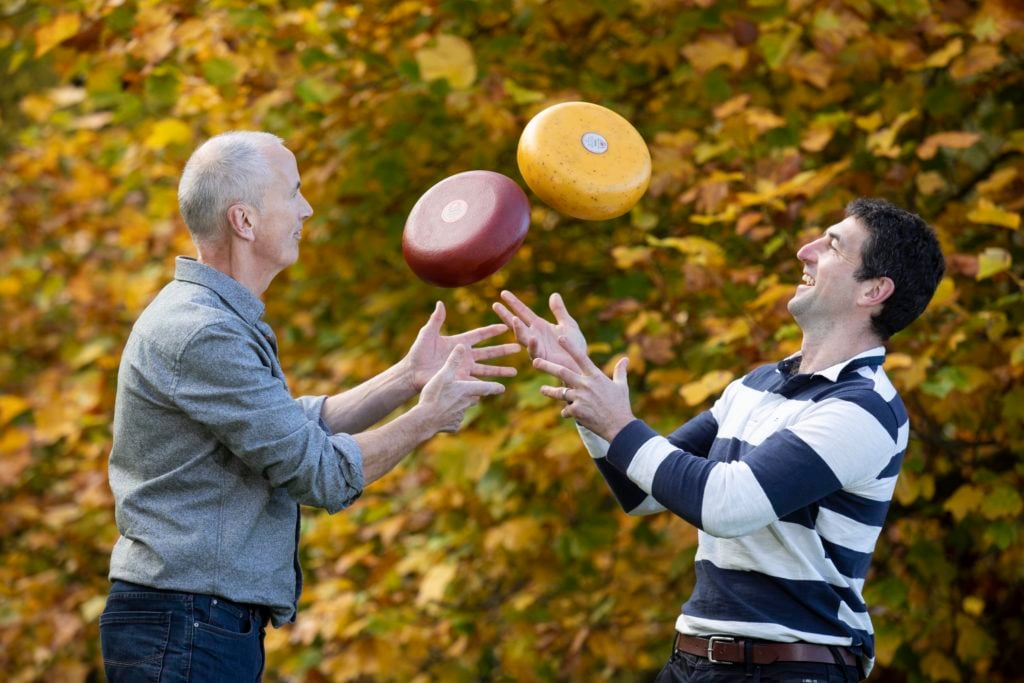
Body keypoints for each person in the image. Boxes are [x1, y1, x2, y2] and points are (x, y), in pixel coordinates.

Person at [100, 131, 518, 681]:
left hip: (193, 625)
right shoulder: (202, 333)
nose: (307, 208)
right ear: (244, 221)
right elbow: (317, 473)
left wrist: (406, 378)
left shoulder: (209, 318)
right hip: (186, 628)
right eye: (293, 193)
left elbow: (288, 431)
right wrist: (427, 419)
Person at [494, 198, 945, 682]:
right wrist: (581, 384)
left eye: (832, 245)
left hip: (791, 670)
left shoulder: (864, 408)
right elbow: (640, 491)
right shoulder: (757, 384)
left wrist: (618, 424)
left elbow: (727, 505)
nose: (804, 251)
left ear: (874, 290)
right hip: (692, 662)